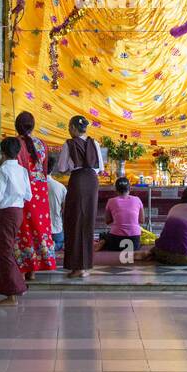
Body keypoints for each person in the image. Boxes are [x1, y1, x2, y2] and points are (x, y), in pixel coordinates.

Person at [56, 115, 105, 278]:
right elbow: (100, 168)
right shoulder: (95, 143)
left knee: (74, 221)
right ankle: (85, 266)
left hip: (77, 181)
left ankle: (77, 267)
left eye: (70, 127)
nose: (69, 130)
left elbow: (62, 167)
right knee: (87, 221)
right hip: (92, 181)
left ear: (74, 128)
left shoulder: (69, 144)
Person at [0, 137, 31, 306]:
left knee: (4, 252)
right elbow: (28, 195)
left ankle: (14, 292)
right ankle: (4, 287)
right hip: (18, 212)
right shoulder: (22, 170)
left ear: (2, 153)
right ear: (18, 152)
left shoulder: (2, 171)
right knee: (3, 249)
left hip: (6, 213)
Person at [14, 112, 56, 277]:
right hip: (40, 192)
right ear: (33, 126)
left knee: (24, 228)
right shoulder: (42, 144)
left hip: (23, 191)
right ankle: (35, 268)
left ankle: (25, 267)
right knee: (40, 228)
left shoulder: (16, 144)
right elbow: (44, 171)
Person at [101, 175, 144, 253]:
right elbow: (141, 220)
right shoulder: (137, 200)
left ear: (116, 190)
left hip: (116, 240)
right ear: (129, 189)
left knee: (103, 236)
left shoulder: (111, 201)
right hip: (134, 241)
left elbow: (107, 221)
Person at [46, 153, 67, 252]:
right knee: (59, 242)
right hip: (56, 229)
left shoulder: (33, 186)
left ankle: (45, 247)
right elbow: (65, 210)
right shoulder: (60, 187)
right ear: (53, 167)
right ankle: (52, 246)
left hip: (39, 229)